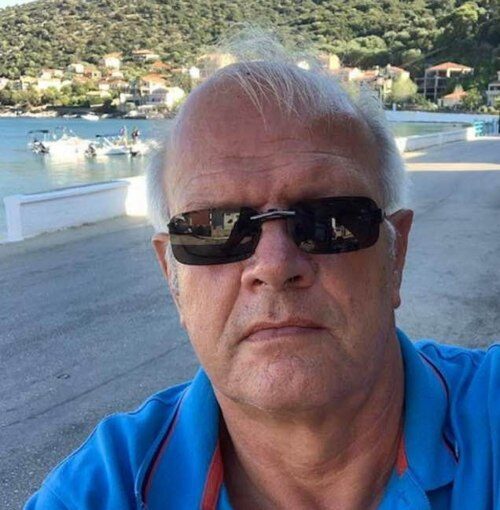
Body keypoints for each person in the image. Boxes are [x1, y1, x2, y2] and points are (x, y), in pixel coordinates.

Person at [25, 36, 499, 510]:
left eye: (330, 219)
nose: (274, 265)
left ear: (396, 256)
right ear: (172, 278)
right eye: (213, 229)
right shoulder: (99, 492)